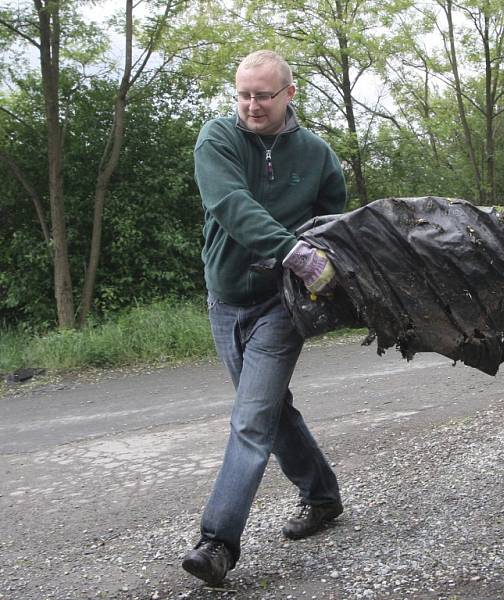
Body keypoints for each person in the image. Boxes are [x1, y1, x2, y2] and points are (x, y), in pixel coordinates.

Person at [182, 50, 347, 586]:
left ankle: (218, 542)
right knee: (270, 409)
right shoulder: (219, 138)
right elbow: (231, 203)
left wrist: (317, 263)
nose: (251, 105)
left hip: (281, 304)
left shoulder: (316, 153)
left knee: (252, 417)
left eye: (263, 95)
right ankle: (322, 496)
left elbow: (335, 221)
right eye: (244, 94)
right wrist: (290, 248)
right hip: (225, 299)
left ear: (289, 95)